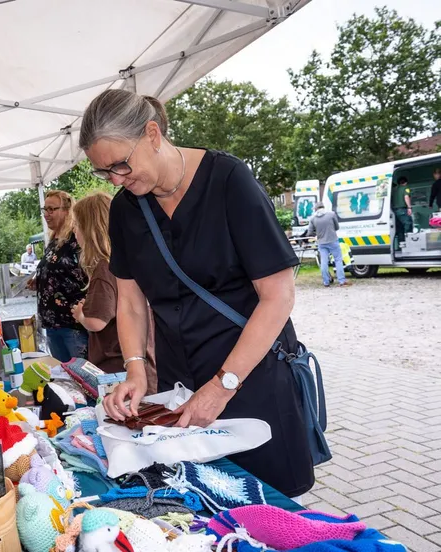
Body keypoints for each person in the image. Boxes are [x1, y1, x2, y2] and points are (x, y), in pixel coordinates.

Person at [81, 89, 313, 498]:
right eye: (105, 173)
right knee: (203, 501)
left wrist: (223, 385)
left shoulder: (229, 181)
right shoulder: (124, 210)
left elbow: (278, 295)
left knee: (269, 506)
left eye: (120, 164)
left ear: (152, 134)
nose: (116, 179)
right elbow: (131, 302)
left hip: (249, 375)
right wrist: (136, 368)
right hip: (180, 385)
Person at [70, 192, 157, 392]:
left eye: (77, 224)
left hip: (118, 370)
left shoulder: (104, 268)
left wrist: (81, 315)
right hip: (141, 364)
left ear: (89, 229)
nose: (74, 230)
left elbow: (97, 322)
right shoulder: (130, 261)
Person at [33, 190, 89, 362]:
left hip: (72, 324)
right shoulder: (54, 239)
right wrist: (40, 279)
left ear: (67, 210)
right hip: (53, 324)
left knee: (81, 377)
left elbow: (85, 272)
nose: (47, 215)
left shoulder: (76, 238)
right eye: (45, 210)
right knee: (66, 377)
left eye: (52, 209)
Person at [307, 202, 350, 288]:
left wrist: (318, 233)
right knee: (338, 260)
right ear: (323, 207)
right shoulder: (331, 214)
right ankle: (341, 281)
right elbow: (337, 227)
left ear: (315, 209)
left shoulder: (313, 219)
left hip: (321, 243)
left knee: (324, 262)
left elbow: (310, 232)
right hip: (333, 240)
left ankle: (326, 282)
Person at [393, 176, 413, 247]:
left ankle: (401, 244)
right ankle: (409, 244)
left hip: (395, 211)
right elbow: (406, 197)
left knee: (400, 228)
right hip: (403, 210)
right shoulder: (406, 187)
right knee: (408, 224)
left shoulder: (394, 189)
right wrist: (409, 207)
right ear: (406, 182)